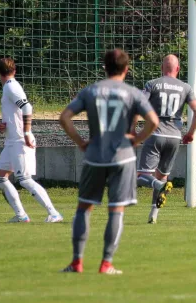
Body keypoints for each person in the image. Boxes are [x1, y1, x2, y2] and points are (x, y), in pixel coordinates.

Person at [59, 49, 159, 274]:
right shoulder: (133, 93)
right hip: (123, 157)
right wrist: (137, 139)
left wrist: (80, 142)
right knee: (116, 210)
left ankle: (77, 262)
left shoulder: (91, 91)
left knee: (84, 207)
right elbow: (153, 121)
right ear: (126, 69)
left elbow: (64, 117)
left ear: (104, 67)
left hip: (95, 156)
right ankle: (106, 263)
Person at [0, 57, 63, 223]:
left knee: (24, 180)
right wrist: (4, 126)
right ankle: (21, 216)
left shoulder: (11, 87)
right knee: (0, 178)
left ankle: (54, 213)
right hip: (11, 141)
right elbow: (15, 113)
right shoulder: (8, 88)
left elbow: (27, 107)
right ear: (14, 70)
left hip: (20, 141)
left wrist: (26, 132)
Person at [135, 54, 196, 224]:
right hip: (174, 137)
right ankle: (153, 215)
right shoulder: (186, 87)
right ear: (178, 69)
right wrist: (190, 133)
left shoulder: (153, 84)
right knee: (162, 176)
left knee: (142, 175)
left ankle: (158, 186)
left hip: (155, 134)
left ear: (162, 68)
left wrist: (132, 130)